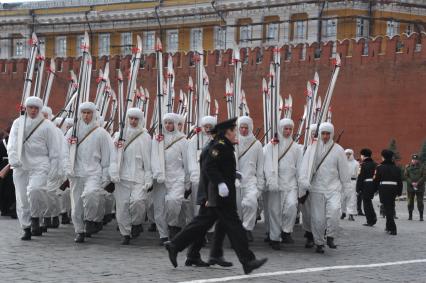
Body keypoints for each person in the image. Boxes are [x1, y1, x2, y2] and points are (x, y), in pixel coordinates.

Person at [164, 118, 267, 275]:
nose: (236, 133)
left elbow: (220, 166)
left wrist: (233, 174)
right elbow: (209, 167)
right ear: (226, 133)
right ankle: (247, 261)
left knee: (202, 223)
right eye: (233, 131)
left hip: (219, 195)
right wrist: (220, 183)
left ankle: (177, 245)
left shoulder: (224, 145)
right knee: (234, 226)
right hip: (219, 196)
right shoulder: (220, 146)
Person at [7, 96, 60, 240]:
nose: (33, 110)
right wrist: (13, 159)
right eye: (30, 107)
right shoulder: (18, 123)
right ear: (26, 108)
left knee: (36, 191)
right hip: (21, 165)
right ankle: (26, 227)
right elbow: (12, 143)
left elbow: (55, 150)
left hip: (40, 164)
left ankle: (36, 218)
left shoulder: (48, 125)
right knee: (22, 198)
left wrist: (54, 169)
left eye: (36, 108)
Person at [63, 102, 112, 243]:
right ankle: (79, 230)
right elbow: (65, 152)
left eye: (89, 112)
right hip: (76, 173)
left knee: (91, 195)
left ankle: (90, 219)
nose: (86, 115)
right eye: (83, 112)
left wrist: (105, 175)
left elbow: (106, 157)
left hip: (93, 173)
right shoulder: (72, 132)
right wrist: (67, 167)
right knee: (76, 205)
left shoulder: (101, 133)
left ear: (94, 114)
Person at [299, 122, 350, 253]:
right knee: (317, 218)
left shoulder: (338, 150)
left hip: (333, 189)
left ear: (332, 134)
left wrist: (346, 188)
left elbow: (344, 171)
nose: (326, 136)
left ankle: (331, 236)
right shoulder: (312, 148)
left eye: (328, 133)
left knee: (334, 212)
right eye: (323, 133)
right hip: (316, 188)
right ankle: (319, 242)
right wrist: (304, 181)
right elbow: (305, 167)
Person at [109, 108, 152, 245]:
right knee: (122, 206)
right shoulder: (119, 135)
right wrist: (114, 172)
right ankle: (125, 233)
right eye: (131, 118)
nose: (133, 121)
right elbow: (113, 157)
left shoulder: (145, 137)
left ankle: (137, 223)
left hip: (139, 177)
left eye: (136, 119)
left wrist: (148, 177)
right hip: (122, 177)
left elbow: (148, 160)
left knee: (138, 202)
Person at [264, 118, 301, 250]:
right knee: (275, 211)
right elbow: (267, 165)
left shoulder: (296, 148)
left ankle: (286, 231)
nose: (288, 131)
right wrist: (271, 181)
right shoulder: (270, 147)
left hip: (291, 184)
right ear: (280, 129)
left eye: (290, 129)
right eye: (285, 128)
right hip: (276, 185)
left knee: (291, 206)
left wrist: (301, 185)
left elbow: (300, 167)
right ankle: (274, 238)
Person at [151, 113, 188, 244]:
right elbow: (154, 157)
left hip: (177, 176)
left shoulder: (182, 140)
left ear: (176, 124)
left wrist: (187, 180)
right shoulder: (157, 139)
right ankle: (163, 234)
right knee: (159, 207)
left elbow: (186, 161)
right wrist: (157, 173)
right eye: (165, 123)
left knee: (174, 201)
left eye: (170, 123)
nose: (168, 125)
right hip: (160, 177)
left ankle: (173, 224)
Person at [236, 116, 264, 242]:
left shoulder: (257, 144)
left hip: (250, 181)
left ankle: (247, 228)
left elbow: (260, 166)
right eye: (241, 127)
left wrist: (260, 184)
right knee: (237, 208)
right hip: (235, 181)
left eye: (246, 127)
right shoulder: (233, 142)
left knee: (251, 203)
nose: (243, 130)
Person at [41, 106, 63, 229]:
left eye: (45, 116)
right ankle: (45, 218)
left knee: (51, 195)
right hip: (39, 168)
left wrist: (60, 169)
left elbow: (61, 152)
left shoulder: (57, 132)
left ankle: (53, 215)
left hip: (54, 168)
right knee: (41, 194)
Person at [373, 150, 403, 235]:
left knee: (387, 208)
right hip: (393, 189)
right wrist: (399, 192)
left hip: (384, 189)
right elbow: (399, 181)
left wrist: (374, 190)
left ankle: (393, 228)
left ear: (383, 157)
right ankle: (388, 226)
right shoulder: (397, 168)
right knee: (390, 206)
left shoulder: (380, 167)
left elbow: (376, 180)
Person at [356, 148, 378, 226]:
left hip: (365, 184)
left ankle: (371, 220)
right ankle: (372, 218)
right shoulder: (375, 164)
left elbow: (360, 177)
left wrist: (358, 188)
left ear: (363, 155)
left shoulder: (363, 165)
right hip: (372, 184)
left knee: (366, 204)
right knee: (368, 202)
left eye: (361, 155)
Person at [0, 127, 16, 218]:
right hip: (7, 167)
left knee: (7, 189)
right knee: (7, 189)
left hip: (7, 166)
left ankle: (7, 209)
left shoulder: (2, 143)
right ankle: (8, 209)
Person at [404, 154, 425, 221]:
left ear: (418, 160)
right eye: (413, 159)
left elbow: (424, 176)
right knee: (410, 202)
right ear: (411, 160)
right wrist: (411, 183)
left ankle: (421, 216)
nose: (414, 161)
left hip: (420, 187)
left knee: (420, 202)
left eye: (415, 159)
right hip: (410, 187)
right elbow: (406, 176)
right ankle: (410, 216)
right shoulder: (408, 167)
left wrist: (418, 183)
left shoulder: (422, 167)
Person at [341, 149, 359, 221]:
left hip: (352, 182)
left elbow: (357, 174)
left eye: (349, 154)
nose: (347, 155)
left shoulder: (356, 163)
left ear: (352, 154)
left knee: (352, 199)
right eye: (346, 154)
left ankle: (351, 214)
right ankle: (343, 212)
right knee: (342, 198)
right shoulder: (342, 162)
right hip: (343, 182)